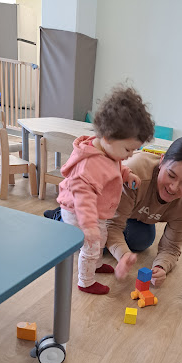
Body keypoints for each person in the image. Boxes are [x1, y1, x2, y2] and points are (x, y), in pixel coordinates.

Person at [57, 86, 154, 295]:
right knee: (92, 244)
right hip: (80, 213)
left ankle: (96, 264)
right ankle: (86, 281)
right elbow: (83, 198)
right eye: (128, 150)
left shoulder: (108, 152)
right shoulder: (89, 166)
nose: (130, 155)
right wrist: (89, 225)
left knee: (100, 237)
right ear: (108, 138)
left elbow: (115, 166)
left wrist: (127, 174)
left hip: (97, 211)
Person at [106, 136, 182, 286]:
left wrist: (161, 266)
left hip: (134, 216)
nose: (174, 187)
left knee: (143, 239)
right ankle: (62, 217)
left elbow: (172, 247)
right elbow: (112, 224)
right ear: (161, 161)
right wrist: (123, 255)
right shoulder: (135, 174)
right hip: (98, 208)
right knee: (91, 240)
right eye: (171, 175)